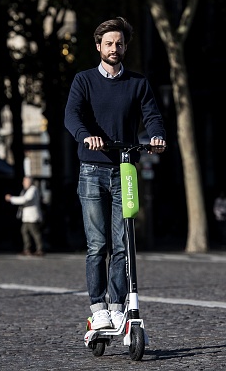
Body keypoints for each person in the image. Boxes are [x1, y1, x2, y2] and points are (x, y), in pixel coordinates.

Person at [64, 17, 167, 330]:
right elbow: (72, 115)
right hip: (92, 169)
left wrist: (157, 136)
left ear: (125, 47)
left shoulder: (138, 83)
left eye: (119, 43)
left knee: (123, 244)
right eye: (108, 43)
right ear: (98, 47)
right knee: (97, 245)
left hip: (125, 170)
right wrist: (86, 135)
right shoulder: (83, 81)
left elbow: (152, 116)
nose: (114, 48)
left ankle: (118, 305)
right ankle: (98, 308)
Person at [5, 176, 44, 256]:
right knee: (24, 231)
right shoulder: (27, 190)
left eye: (25, 181)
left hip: (32, 217)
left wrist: (11, 199)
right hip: (27, 217)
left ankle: (39, 249)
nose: (23, 183)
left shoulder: (32, 190)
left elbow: (25, 199)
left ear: (29, 182)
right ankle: (27, 249)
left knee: (35, 233)